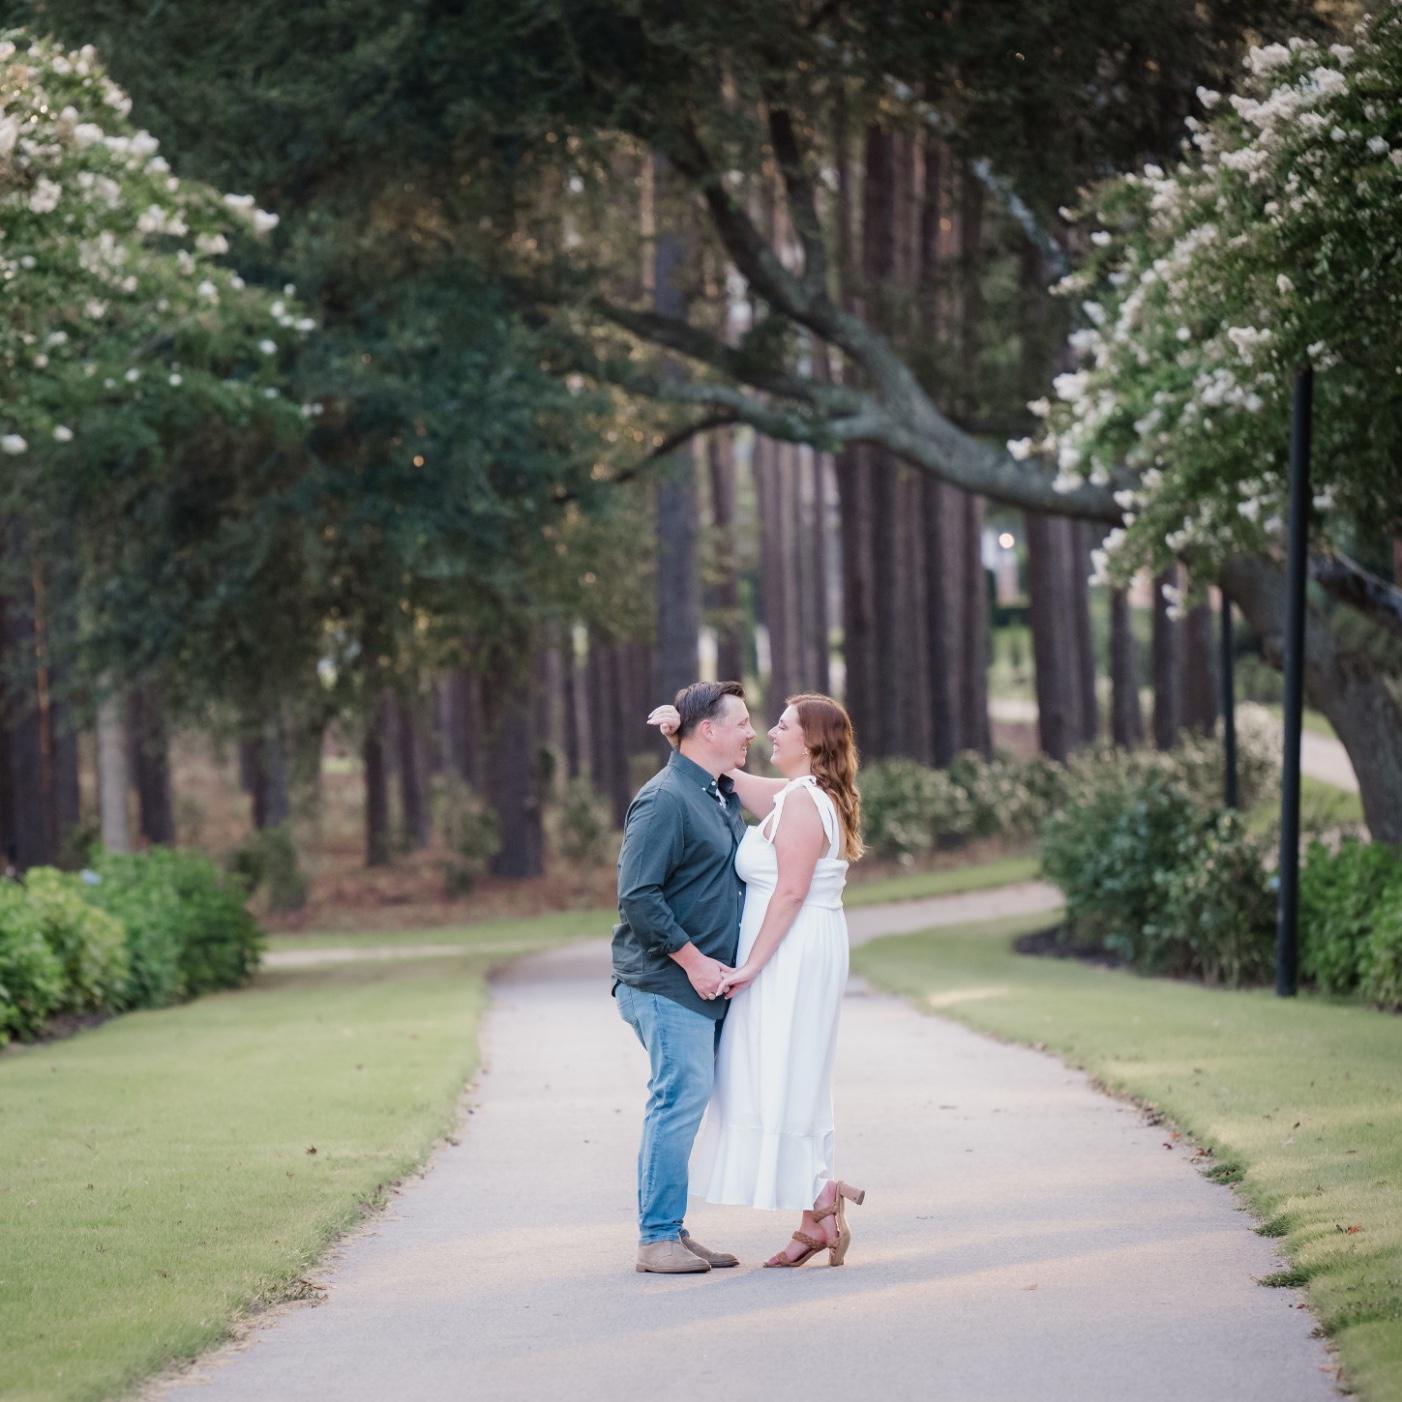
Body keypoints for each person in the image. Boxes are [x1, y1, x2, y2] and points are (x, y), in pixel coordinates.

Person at [648, 691, 867, 1268]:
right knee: (781, 1070)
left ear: (811, 742)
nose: (771, 731)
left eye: (784, 726)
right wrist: (682, 738)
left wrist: (751, 965)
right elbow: (728, 776)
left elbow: (791, 891)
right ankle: (818, 1209)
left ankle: (819, 1199)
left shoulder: (804, 802)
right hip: (794, 946)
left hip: (791, 952)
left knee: (780, 1070)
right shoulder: (798, 793)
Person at [612, 680, 755, 1275]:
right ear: (710, 730)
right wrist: (694, 963)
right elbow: (637, 896)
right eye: (741, 722)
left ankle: (671, 1229)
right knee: (679, 1099)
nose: (751, 732)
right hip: (665, 982)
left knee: (687, 1102)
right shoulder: (665, 799)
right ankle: (656, 1239)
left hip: (701, 985)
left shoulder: (716, 793)